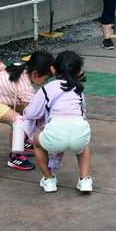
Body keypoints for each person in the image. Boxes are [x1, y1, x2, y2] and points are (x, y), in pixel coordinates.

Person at [24, 50, 94, 194]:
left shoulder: (47, 88)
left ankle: (49, 179)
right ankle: (85, 179)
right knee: (83, 145)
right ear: (79, 73)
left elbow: (31, 114)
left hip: (55, 135)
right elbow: (82, 112)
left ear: (53, 69)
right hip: (79, 133)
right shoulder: (79, 89)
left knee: (37, 142)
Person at [0, 51, 55, 171]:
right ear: (35, 74)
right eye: (45, 79)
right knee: (20, 121)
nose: (46, 82)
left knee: (25, 113)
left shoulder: (21, 68)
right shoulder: (25, 87)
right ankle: (15, 157)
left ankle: (23, 140)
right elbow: (32, 114)